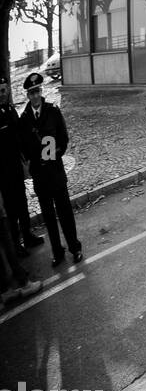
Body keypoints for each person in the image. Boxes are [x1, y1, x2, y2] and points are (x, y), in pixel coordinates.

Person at [19, 72, 82, 265]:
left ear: (41, 91)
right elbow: (23, 146)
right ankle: (57, 252)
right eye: (31, 93)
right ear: (27, 96)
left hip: (55, 171)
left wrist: (55, 154)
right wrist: (31, 163)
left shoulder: (52, 111)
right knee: (48, 217)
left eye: (37, 91)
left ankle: (74, 248)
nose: (35, 96)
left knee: (65, 213)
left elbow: (63, 137)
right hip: (39, 176)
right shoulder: (25, 119)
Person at [0, 79, 42, 256]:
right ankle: (16, 244)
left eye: (4, 90)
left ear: (8, 90)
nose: (2, 94)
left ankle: (28, 235)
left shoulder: (10, 110)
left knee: (22, 204)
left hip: (16, 165)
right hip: (4, 170)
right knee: (11, 210)